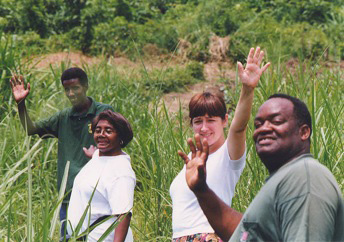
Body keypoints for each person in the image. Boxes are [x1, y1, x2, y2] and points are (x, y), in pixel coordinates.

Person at [179, 94, 344, 241]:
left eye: (276, 121)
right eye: (258, 124)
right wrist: (201, 190)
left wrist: (247, 88)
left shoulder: (304, 176)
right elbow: (245, 234)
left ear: (304, 132)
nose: (264, 128)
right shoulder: (282, 181)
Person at [169, 47, 270, 241]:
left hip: (209, 236)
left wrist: (247, 89)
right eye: (198, 121)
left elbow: (239, 128)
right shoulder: (192, 160)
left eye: (211, 120)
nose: (204, 127)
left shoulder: (228, 155)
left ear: (224, 120)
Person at [9, 67, 113, 236]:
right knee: (68, 237)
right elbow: (31, 129)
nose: (71, 94)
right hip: (69, 194)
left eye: (75, 88)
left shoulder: (104, 112)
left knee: (97, 237)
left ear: (86, 86)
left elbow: (119, 142)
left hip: (97, 192)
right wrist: (21, 104)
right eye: (67, 89)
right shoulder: (63, 117)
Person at [67, 110, 135, 241]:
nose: (101, 135)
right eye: (98, 130)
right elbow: (102, 167)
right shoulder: (100, 156)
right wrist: (93, 155)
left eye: (108, 131)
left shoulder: (121, 171)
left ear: (121, 137)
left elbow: (123, 214)